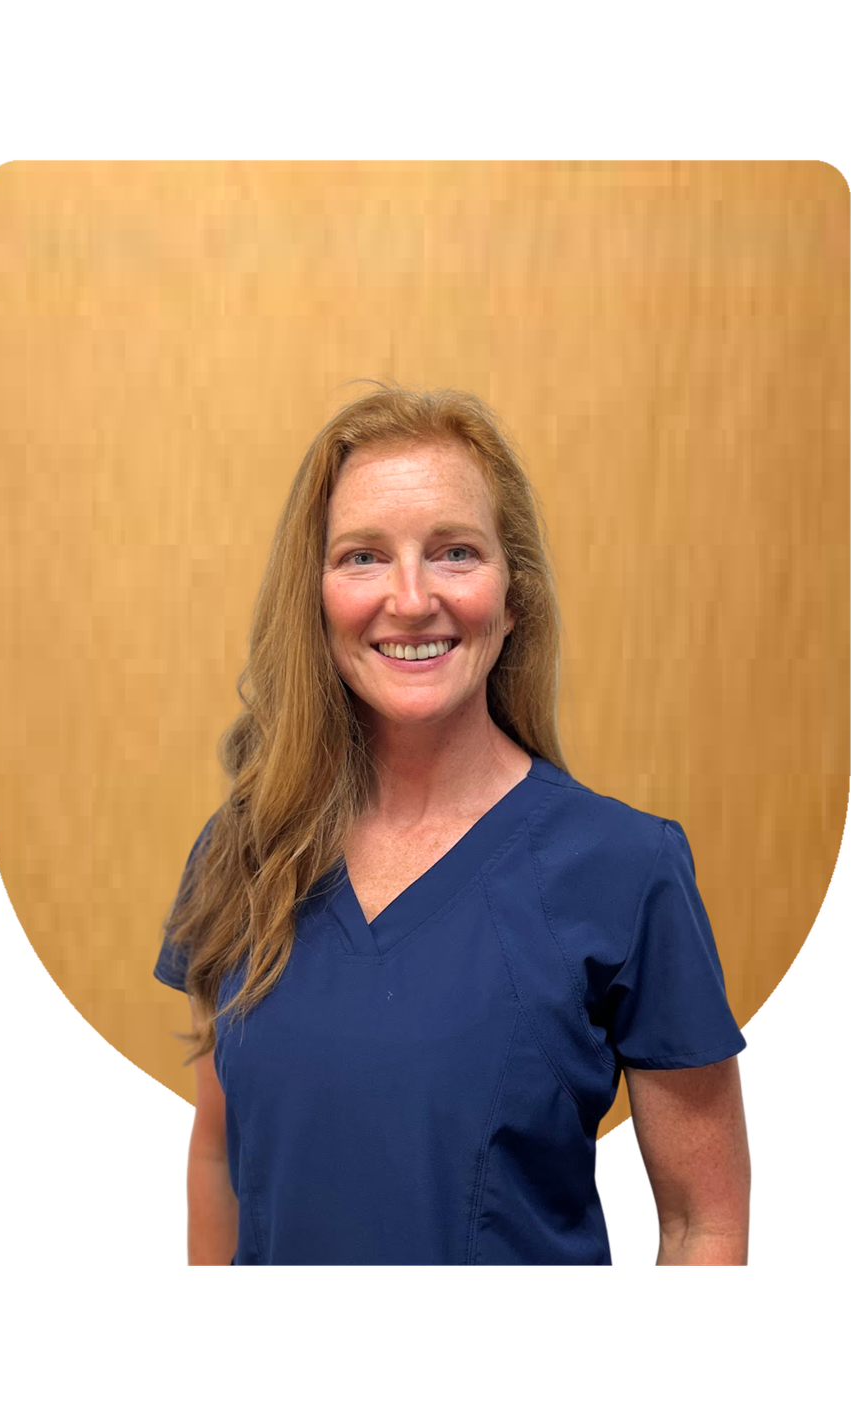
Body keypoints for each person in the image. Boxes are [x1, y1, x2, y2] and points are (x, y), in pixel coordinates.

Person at [157, 382, 752, 1269]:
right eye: (363, 557)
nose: (410, 598)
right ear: (315, 600)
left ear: (514, 600)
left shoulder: (628, 870)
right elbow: (217, 1157)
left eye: (456, 553)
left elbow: (702, 1223)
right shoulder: (242, 853)